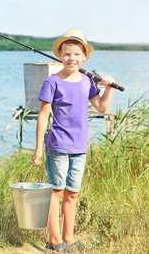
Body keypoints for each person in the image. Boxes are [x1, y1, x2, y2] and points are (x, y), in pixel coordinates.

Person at [32, 29, 115, 253]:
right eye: (67, 54)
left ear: (85, 57)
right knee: (56, 192)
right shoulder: (52, 82)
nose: (72, 58)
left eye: (77, 54)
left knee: (72, 193)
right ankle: (54, 241)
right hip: (58, 145)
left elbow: (101, 107)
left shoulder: (87, 81)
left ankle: (68, 239)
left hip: (80, 147)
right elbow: (43, 115)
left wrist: (108, 89)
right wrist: (39, 147)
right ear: (60, 55)